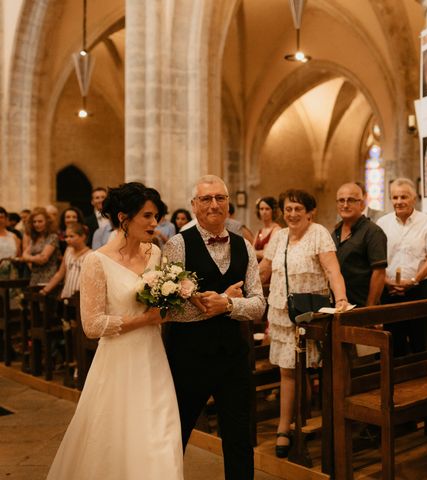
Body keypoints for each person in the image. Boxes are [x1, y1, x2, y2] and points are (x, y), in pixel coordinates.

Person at [46, 182, 183, 480]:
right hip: (118, 361)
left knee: (160, 433)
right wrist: (145, 320)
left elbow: (162, 305)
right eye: (147, 216)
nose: (154, 222)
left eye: (156, 215)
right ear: (124, 217)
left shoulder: (155, 254)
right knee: (115, 436)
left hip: (152, 357)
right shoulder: (97, 261)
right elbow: (93, 326)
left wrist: (178, 298)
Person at [163, 175, 265, 480]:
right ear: (194, 205)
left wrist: (230, 306)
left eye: (220, 198)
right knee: (174, 435)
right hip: (187, 358)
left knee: (239, 439)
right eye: (206, 199)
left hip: (233, 357)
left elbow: (259, 303)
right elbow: (170, 310)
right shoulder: (177, 245)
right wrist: (219, 304)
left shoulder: (244, 245)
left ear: (228, 203)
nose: (213, 204)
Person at [258, 189, 348, 458]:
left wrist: (341, 298)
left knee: (308, 369)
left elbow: (333, 270)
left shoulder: (318, 233)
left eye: (298, 209)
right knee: (288, 370)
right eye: (288, 209)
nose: (293, 214)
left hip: (311, 314)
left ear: (310, 212)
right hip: (282, 313)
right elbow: (264, 270)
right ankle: (287, 427)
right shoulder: (280, 236)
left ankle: (306, 423)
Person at [376, 177, 427, 356]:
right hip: (389, 290)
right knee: (393, 341)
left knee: (419, 339)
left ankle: (422, 380)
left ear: (414, 199)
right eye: (395, 197)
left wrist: (414, 280)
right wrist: (387, 282)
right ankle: (396, 381)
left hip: (419, 289)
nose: (399, 202)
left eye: (404, 197)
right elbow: (376, 258)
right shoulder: (382, 223)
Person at [333, 182, 387, 307]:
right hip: (340, 305)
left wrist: (370, 307)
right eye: (341, 200)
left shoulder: (373, 232)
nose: (345, 205)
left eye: (351, 200)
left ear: (362, 204)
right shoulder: (335, 231)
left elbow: (379, 272)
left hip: (362, 304)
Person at [40, 222, 90, 298]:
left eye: (71, 236)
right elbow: (60, 273)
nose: (68, 239)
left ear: (82, 237)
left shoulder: (90, 255)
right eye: (66, 236)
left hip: (81, 298)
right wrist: (45, 290)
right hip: (67, 296)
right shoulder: (68, 251)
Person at [19, 207, 60, 286]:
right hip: (34, 277)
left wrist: (29, 258)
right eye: (34, 222)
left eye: (40, 221)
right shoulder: (34, 238)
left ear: (47, 222)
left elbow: (43, 259)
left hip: (48, 278)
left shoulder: (52, 237)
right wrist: (34, 258)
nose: (37, 224)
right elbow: (24, 255)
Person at [253, 196, 281, 261]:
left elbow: (269, 253)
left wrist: (256, 253)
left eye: (267, 209)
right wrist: (260, 252)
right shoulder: (259, 231)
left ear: (273, 211)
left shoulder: (277, 230)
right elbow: (251, 252)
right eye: (261, 209)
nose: (264, 212)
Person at [0, 207, 21, 278]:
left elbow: (18, 255)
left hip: (12, 271)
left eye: (1, 217)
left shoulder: (13, 236)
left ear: (6, 219)